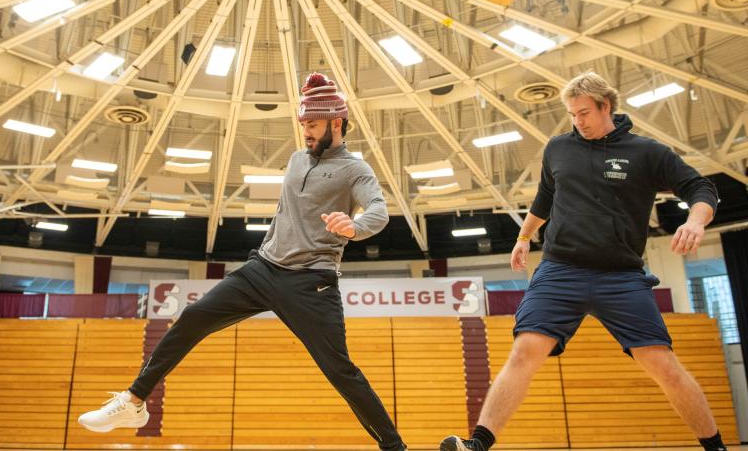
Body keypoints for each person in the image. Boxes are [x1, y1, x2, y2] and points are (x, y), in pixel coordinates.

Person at [78, 72, 406, 451]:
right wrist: (266, 250)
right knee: (192, 317)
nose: (306, 133)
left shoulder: (355, 169)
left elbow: (379, 211)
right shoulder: (298, 159)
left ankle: (394, 447)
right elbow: (284, 214)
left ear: (336, 122)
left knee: (340, 370)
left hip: (310, 283)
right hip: (263, 269)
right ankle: (133, 402)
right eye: (303, 125)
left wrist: (354, 226)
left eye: (313, 125)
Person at [441, 72, 726, 451]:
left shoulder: (646, 152)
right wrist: (524, 237)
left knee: (662, 365)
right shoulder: (558, 147)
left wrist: (694, 219)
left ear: (606, 106)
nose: (579, 122)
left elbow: (701, 188)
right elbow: (545, 197)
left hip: (621, 276)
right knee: (525, 350)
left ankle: (716, 446)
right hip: (561, 270)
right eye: (573, 114)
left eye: (585, 113)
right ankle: (477, 444)